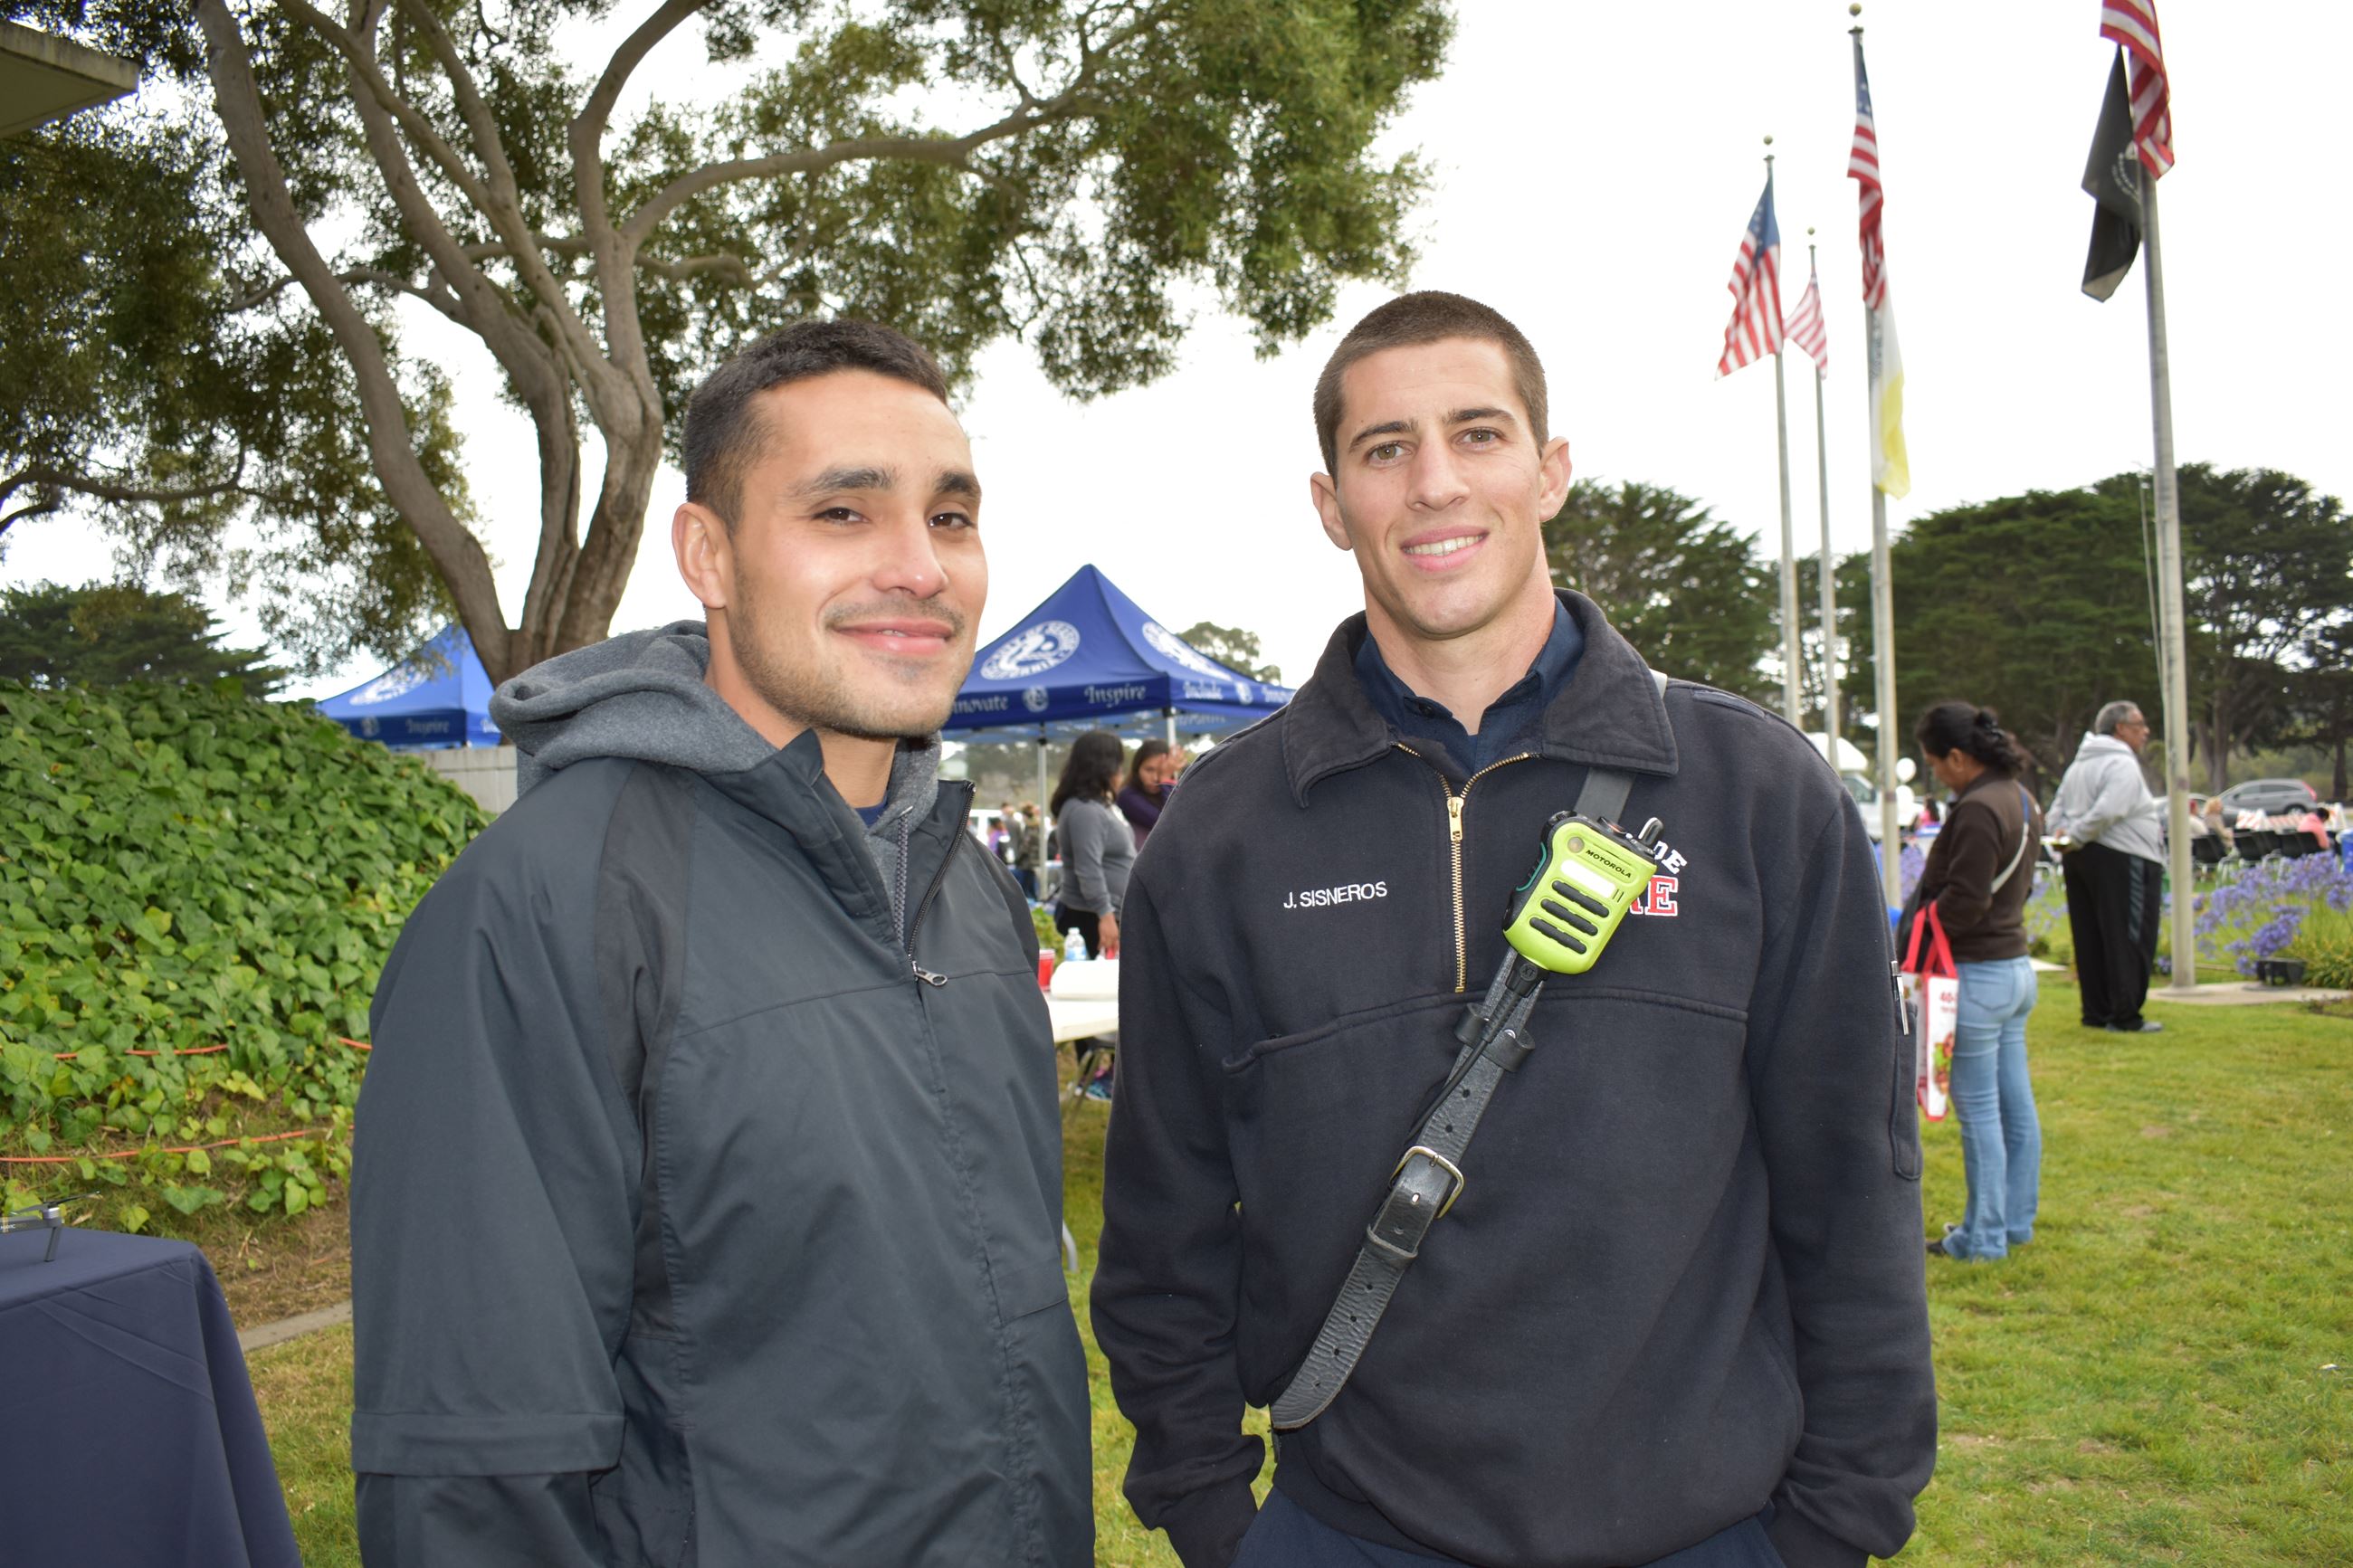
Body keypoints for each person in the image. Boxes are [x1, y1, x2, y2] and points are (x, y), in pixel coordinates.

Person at [1092, 291, 1933, 1568]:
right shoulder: (1220, 834)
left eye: (1477, 434)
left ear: (1549, 472)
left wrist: (1834, 1526)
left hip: (1713, 1533)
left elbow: (1852, 1192)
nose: (1435, 484)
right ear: (1332, 504)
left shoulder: (1758, 793)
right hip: (1346, 1534)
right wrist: (1213, 1513)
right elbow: (1164, 1216)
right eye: (1385, 450)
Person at [350, 320, 1091, 1566]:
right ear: (710, 554)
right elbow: (473, 1462)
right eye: (843, 514)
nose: (920, 566)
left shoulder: (960, 875)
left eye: (951, 517)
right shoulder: (545, 901)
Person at [1912, 703, 2045, 1263]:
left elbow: (1966, 899)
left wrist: (1919, 934)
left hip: (1976, 974)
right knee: (2016, 1106)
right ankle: (2015, 1222)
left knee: (1981, 1112)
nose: (1935, 774)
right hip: (2015, 970)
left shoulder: (1976, 809)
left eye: (1935, 764)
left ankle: (1982, 1238)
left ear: (1959, 757)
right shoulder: (2021, 797)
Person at [2047, 701, 2167, 1032]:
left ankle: (2096, 1011)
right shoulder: (2121, 763)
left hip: (2080, 856)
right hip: (2122, 856)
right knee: (2127, 935)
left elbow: (2055, 812)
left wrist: (2066, 836)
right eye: (2139, 724)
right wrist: (2077, 834)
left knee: (2090, 935)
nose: (2145, 731)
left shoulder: (2078, 766)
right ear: (2119, 729)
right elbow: (2110, 809)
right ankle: (2125, 1015)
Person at [1051, 729, 1134, 958]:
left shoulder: (1100, 805)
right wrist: (1105, 915)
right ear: (1105, 766)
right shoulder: (1085, 810)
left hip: (1103, 913)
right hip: (1090, 918)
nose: (1120, 771)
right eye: (1118, 763)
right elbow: (1088, 869)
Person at [1116, 738, 1179, 848]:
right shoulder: (1127, 796)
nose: (1155, 778)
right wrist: (1165, 780)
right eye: (1149, 770)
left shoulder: (1169, 790)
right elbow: (1167, 824)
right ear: (1137, 769)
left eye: (1161, 771)